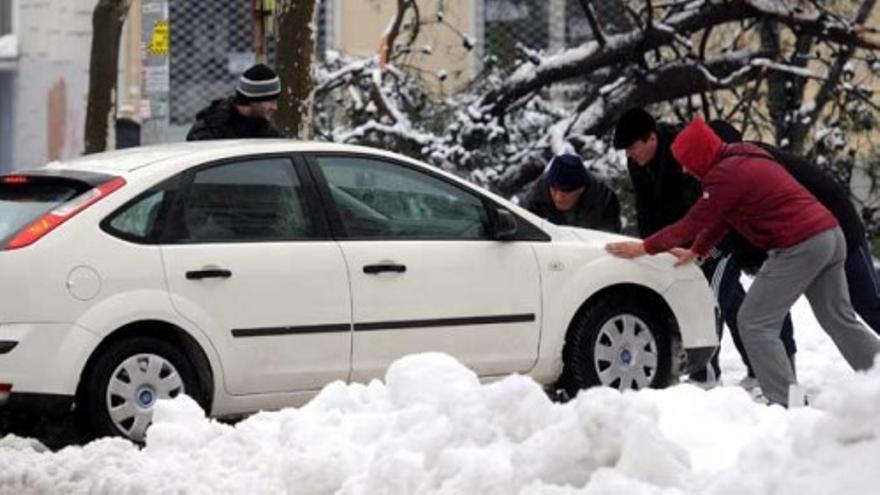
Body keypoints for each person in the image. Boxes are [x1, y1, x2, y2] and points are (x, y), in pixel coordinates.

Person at [606, 116, 880, 406]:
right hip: (829, 235)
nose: (685, 170)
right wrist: (697, 249)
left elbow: (691, 223)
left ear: (700, 155)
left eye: (687, 162)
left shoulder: (725, 174)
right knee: (838, 318)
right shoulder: (742, 158)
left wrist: (643, 248)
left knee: (754, 321)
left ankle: (789, 404)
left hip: (800, 244)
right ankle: (875, 377)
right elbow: (722, 220)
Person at [612, 108, 796, 387]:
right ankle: (759, 371)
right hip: (691, 240)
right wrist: (657, 250)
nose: (628, 154)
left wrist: (685, 247)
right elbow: (646, 210)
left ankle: (706, 374)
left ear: (651, 138)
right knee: (732, 301)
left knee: (709, 299)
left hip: (722, 235)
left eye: (632, 147)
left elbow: (704, 210)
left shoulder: (683, 151)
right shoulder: (638, 163)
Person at [709, 120, 880, 337]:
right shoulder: (738, 168)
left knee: (868, 302)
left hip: (841, 228)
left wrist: (746, 256)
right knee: (770, 307)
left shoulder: (750, 167)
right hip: (806, 240)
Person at [521, 153, 622, 233]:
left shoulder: (603, 196)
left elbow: (610, 236)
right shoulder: (536, 196)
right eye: (554, 190)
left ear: (581, 190)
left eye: (566, 193)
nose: (558, 198)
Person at [186, 63, 282, 141]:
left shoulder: (266, 130)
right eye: (271, 101)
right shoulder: (210, 131)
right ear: (253, 100)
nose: (275, 107)